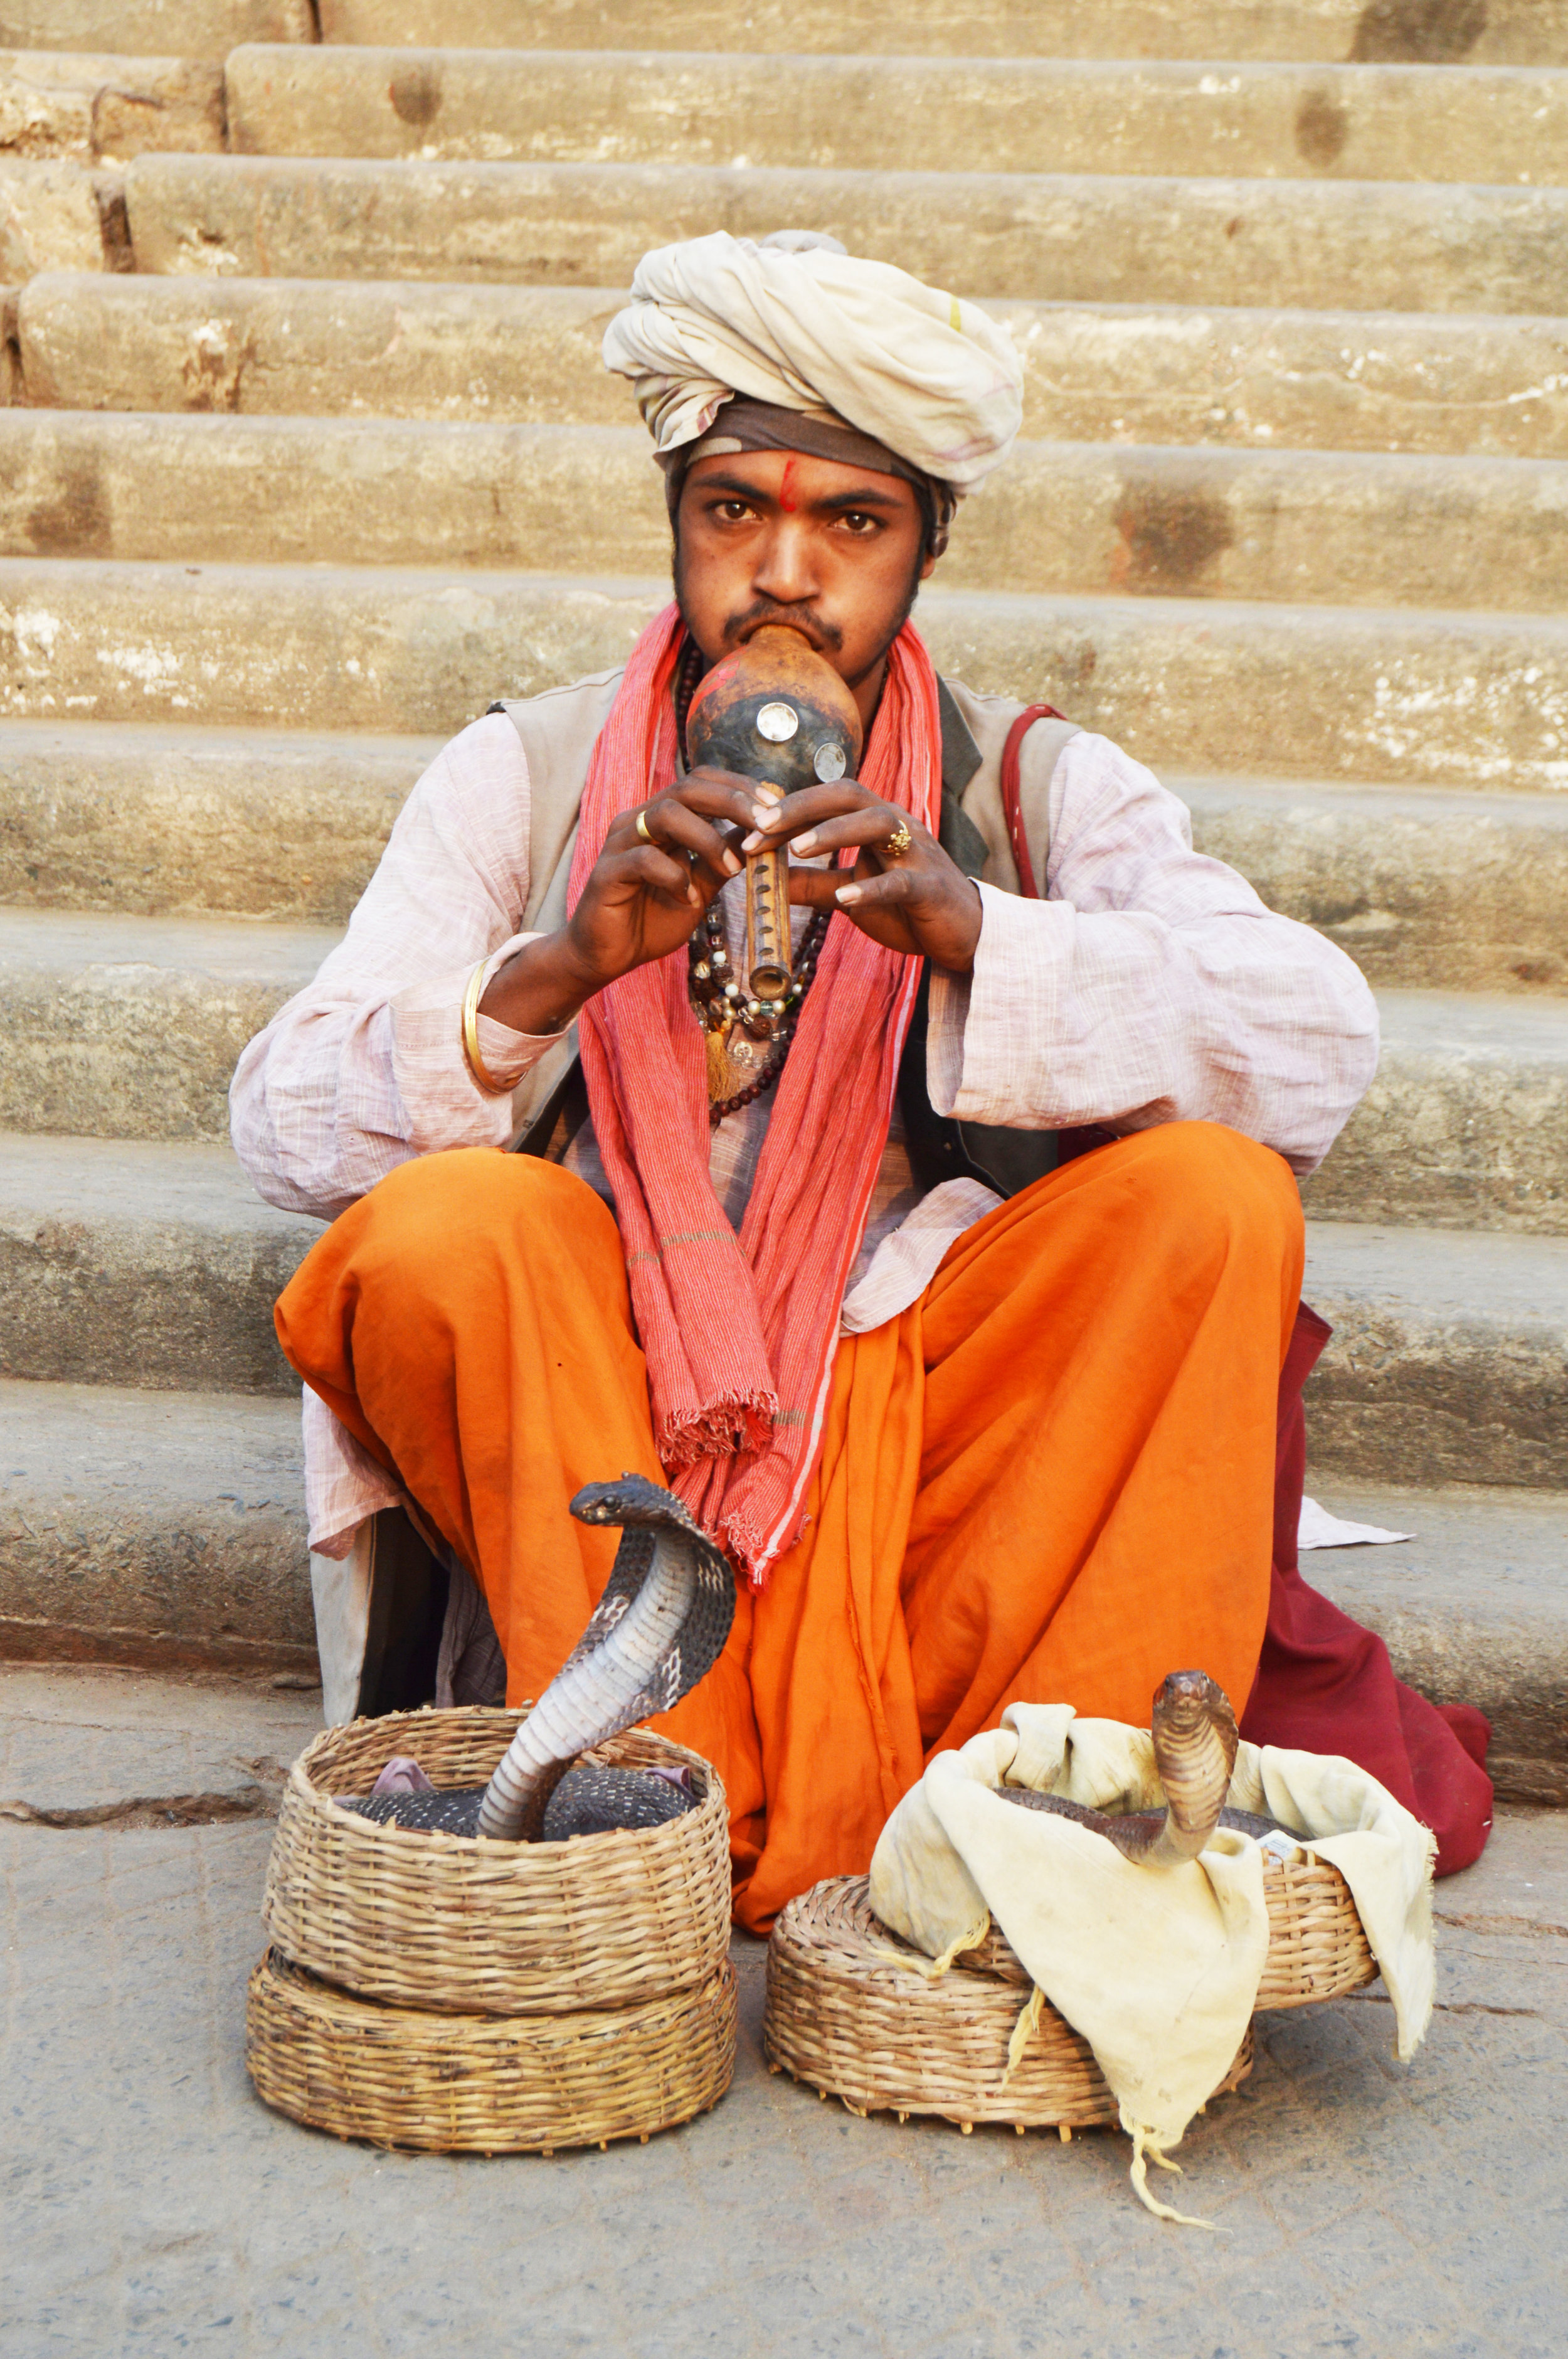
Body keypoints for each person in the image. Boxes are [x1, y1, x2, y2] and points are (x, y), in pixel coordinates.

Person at [233, 231, 1492, 1922]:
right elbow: (285, 1122)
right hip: (609, 1429)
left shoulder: (1037, 780)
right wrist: (557, 972)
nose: (783, 574)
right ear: (677, 524)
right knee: (450, 1228)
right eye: (732, 509)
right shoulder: (519, 775)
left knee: (1208, 1197)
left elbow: (1314, 1041)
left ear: (923, 549)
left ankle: (1012, 1800)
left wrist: (981, 931)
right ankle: (674, 1779)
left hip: (928, 1425)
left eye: (851, 522)